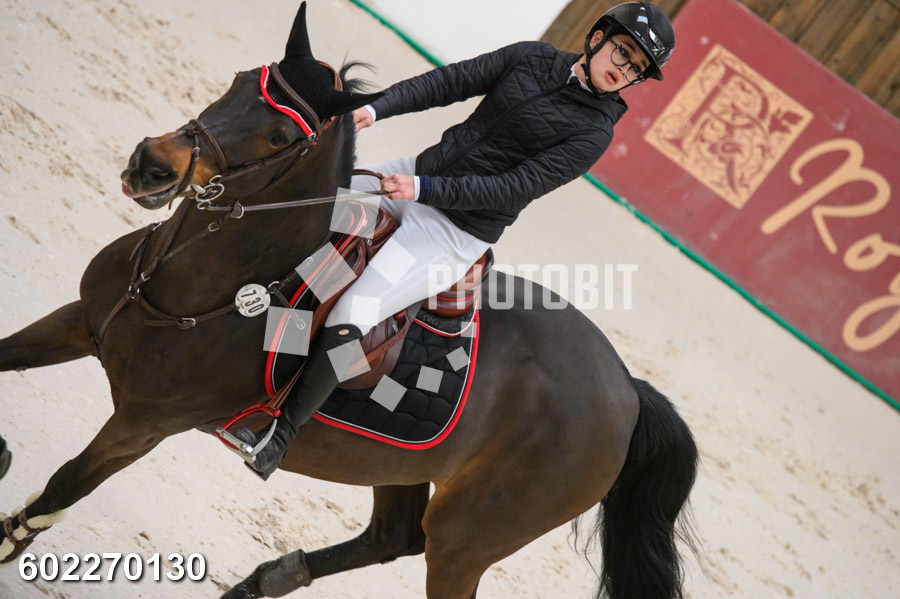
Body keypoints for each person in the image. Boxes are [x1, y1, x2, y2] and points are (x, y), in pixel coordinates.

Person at [239, 1, 675, 480]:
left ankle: (282, 433)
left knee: (353, 313)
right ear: (597, 38)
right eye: (623, 51)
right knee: (302, 207)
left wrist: (425, 189)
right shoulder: (532, 56)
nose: (623, 69)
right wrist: (375, 109)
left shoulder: (594, 133)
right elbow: (449, 82)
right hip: (416, 175)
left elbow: (515, 187)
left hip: (451, 231)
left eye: (636, 68)